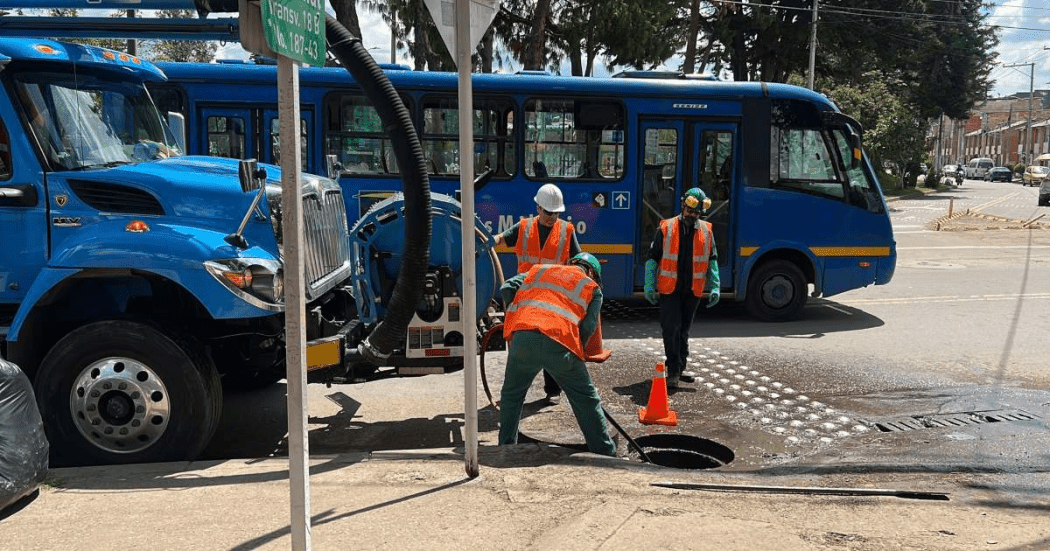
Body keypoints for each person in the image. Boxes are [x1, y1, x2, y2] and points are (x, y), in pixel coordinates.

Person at [497, 253, 616, 457]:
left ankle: (505, 450)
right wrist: (579, 352)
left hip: (522, 341)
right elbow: (588, 327)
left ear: (572, 263)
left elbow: (506, 288)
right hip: (560, 345)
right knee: (586, 400)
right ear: (591, 273)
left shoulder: (538, 270)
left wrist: (514, 316)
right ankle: (606, 454)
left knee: (511, 397)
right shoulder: (591, 287)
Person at [492, 183, 581, 403]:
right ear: (538, 208)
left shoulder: (566, 230)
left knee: (552, 343)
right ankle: (515, 393)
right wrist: (489, 241)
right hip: (527, 297)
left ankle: (553, 390)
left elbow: (578, 259)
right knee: (522, 346)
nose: (552, 217)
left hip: (553, 297)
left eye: (556, 213)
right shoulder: (524, 227)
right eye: (548, 212)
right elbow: (501, 238)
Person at [643, 188, 720, 390]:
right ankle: (673, 371)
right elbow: (652, 258)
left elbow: (712, 260)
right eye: (690, 211)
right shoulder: (666, 227)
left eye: (696, 213)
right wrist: (649, 285)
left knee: (683, 331)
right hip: (670, 289)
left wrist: (715, 286)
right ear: (683, 207)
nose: (692, 215)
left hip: (692, 290)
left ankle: (679, 367)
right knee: (671, 329)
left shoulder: (706, 231)